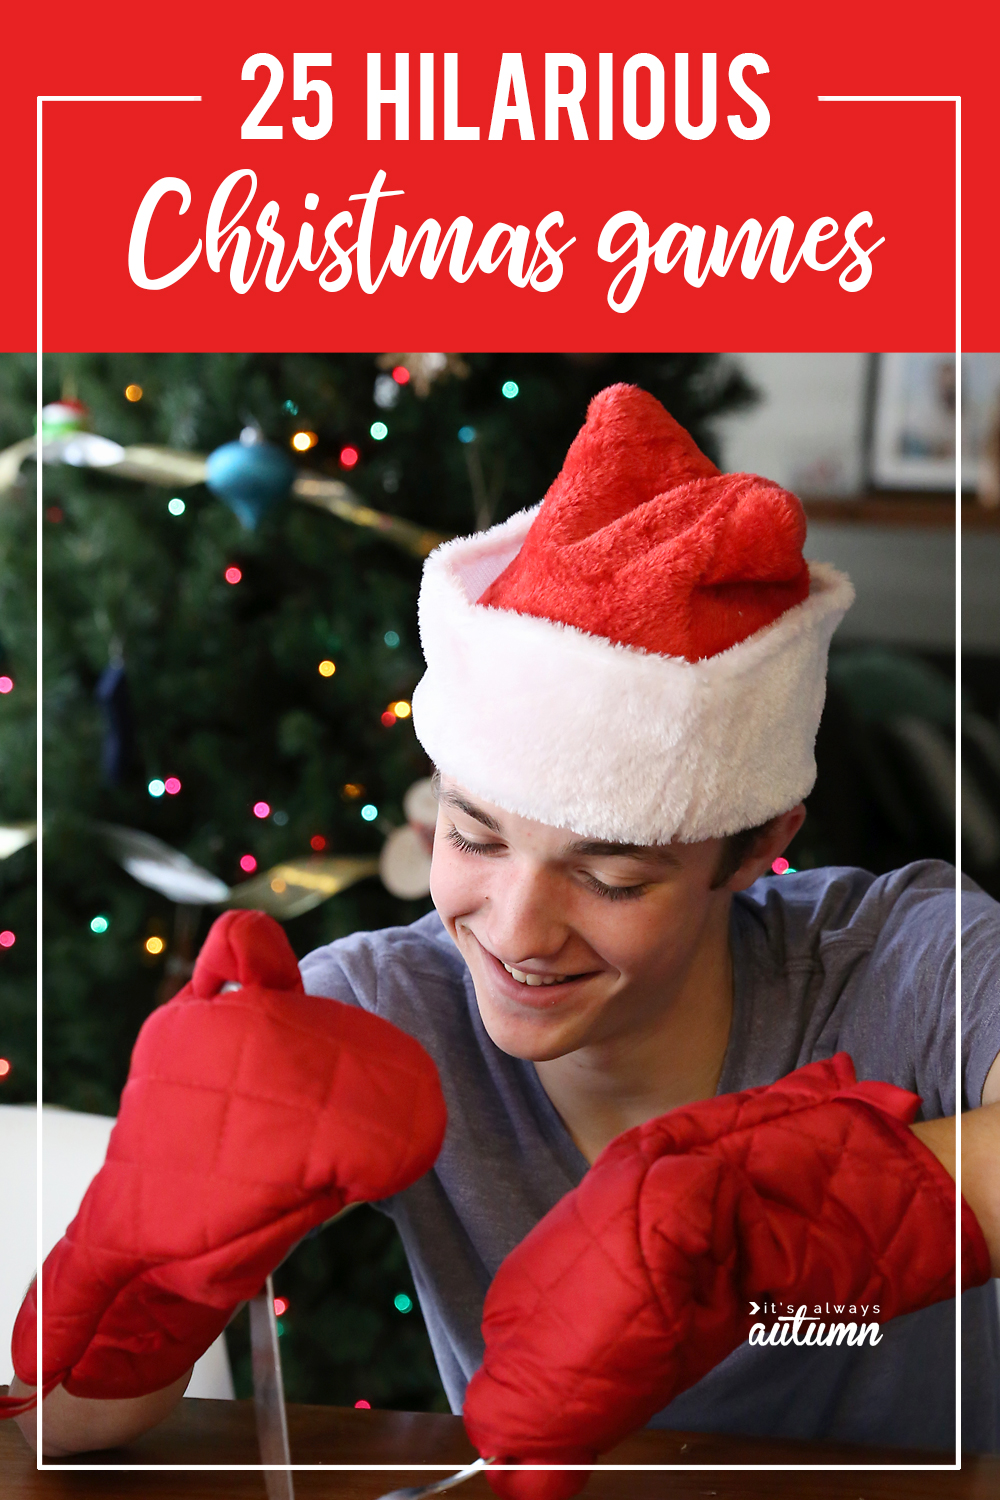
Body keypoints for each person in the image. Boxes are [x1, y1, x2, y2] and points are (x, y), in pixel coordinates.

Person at [10, 385, 1000, 1479]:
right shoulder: (379, 1016)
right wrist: (145, 1266)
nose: (517, 928)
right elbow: (57, 1431)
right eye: (472, 838)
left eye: (612, 878)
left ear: (757, 846)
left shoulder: (901, 961)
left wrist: (780, 1217)